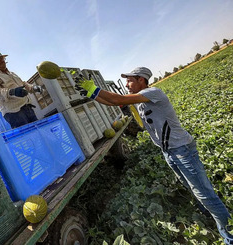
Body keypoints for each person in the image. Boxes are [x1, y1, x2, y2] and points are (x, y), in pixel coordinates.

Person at [75, 67, 233, 244]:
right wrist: (91, 93)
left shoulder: (153, 92)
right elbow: (113, 102)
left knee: (204, 194)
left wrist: (95, 88)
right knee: (191, 186)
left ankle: (229, 236)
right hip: (169, 152)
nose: (126, 84)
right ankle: (209, 213)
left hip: (182, 150)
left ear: (141, 80)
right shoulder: (140, 100)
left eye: (129, 80)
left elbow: (117, 99)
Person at [0, 49, 42, 128]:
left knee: (39, 132)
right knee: (28, 136)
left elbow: (23, 83)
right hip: (14, 112)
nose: (2, 61)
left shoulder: (12, 74)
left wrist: (33, 87)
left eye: (2, 58)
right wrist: (12, 92)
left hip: (27, 107)